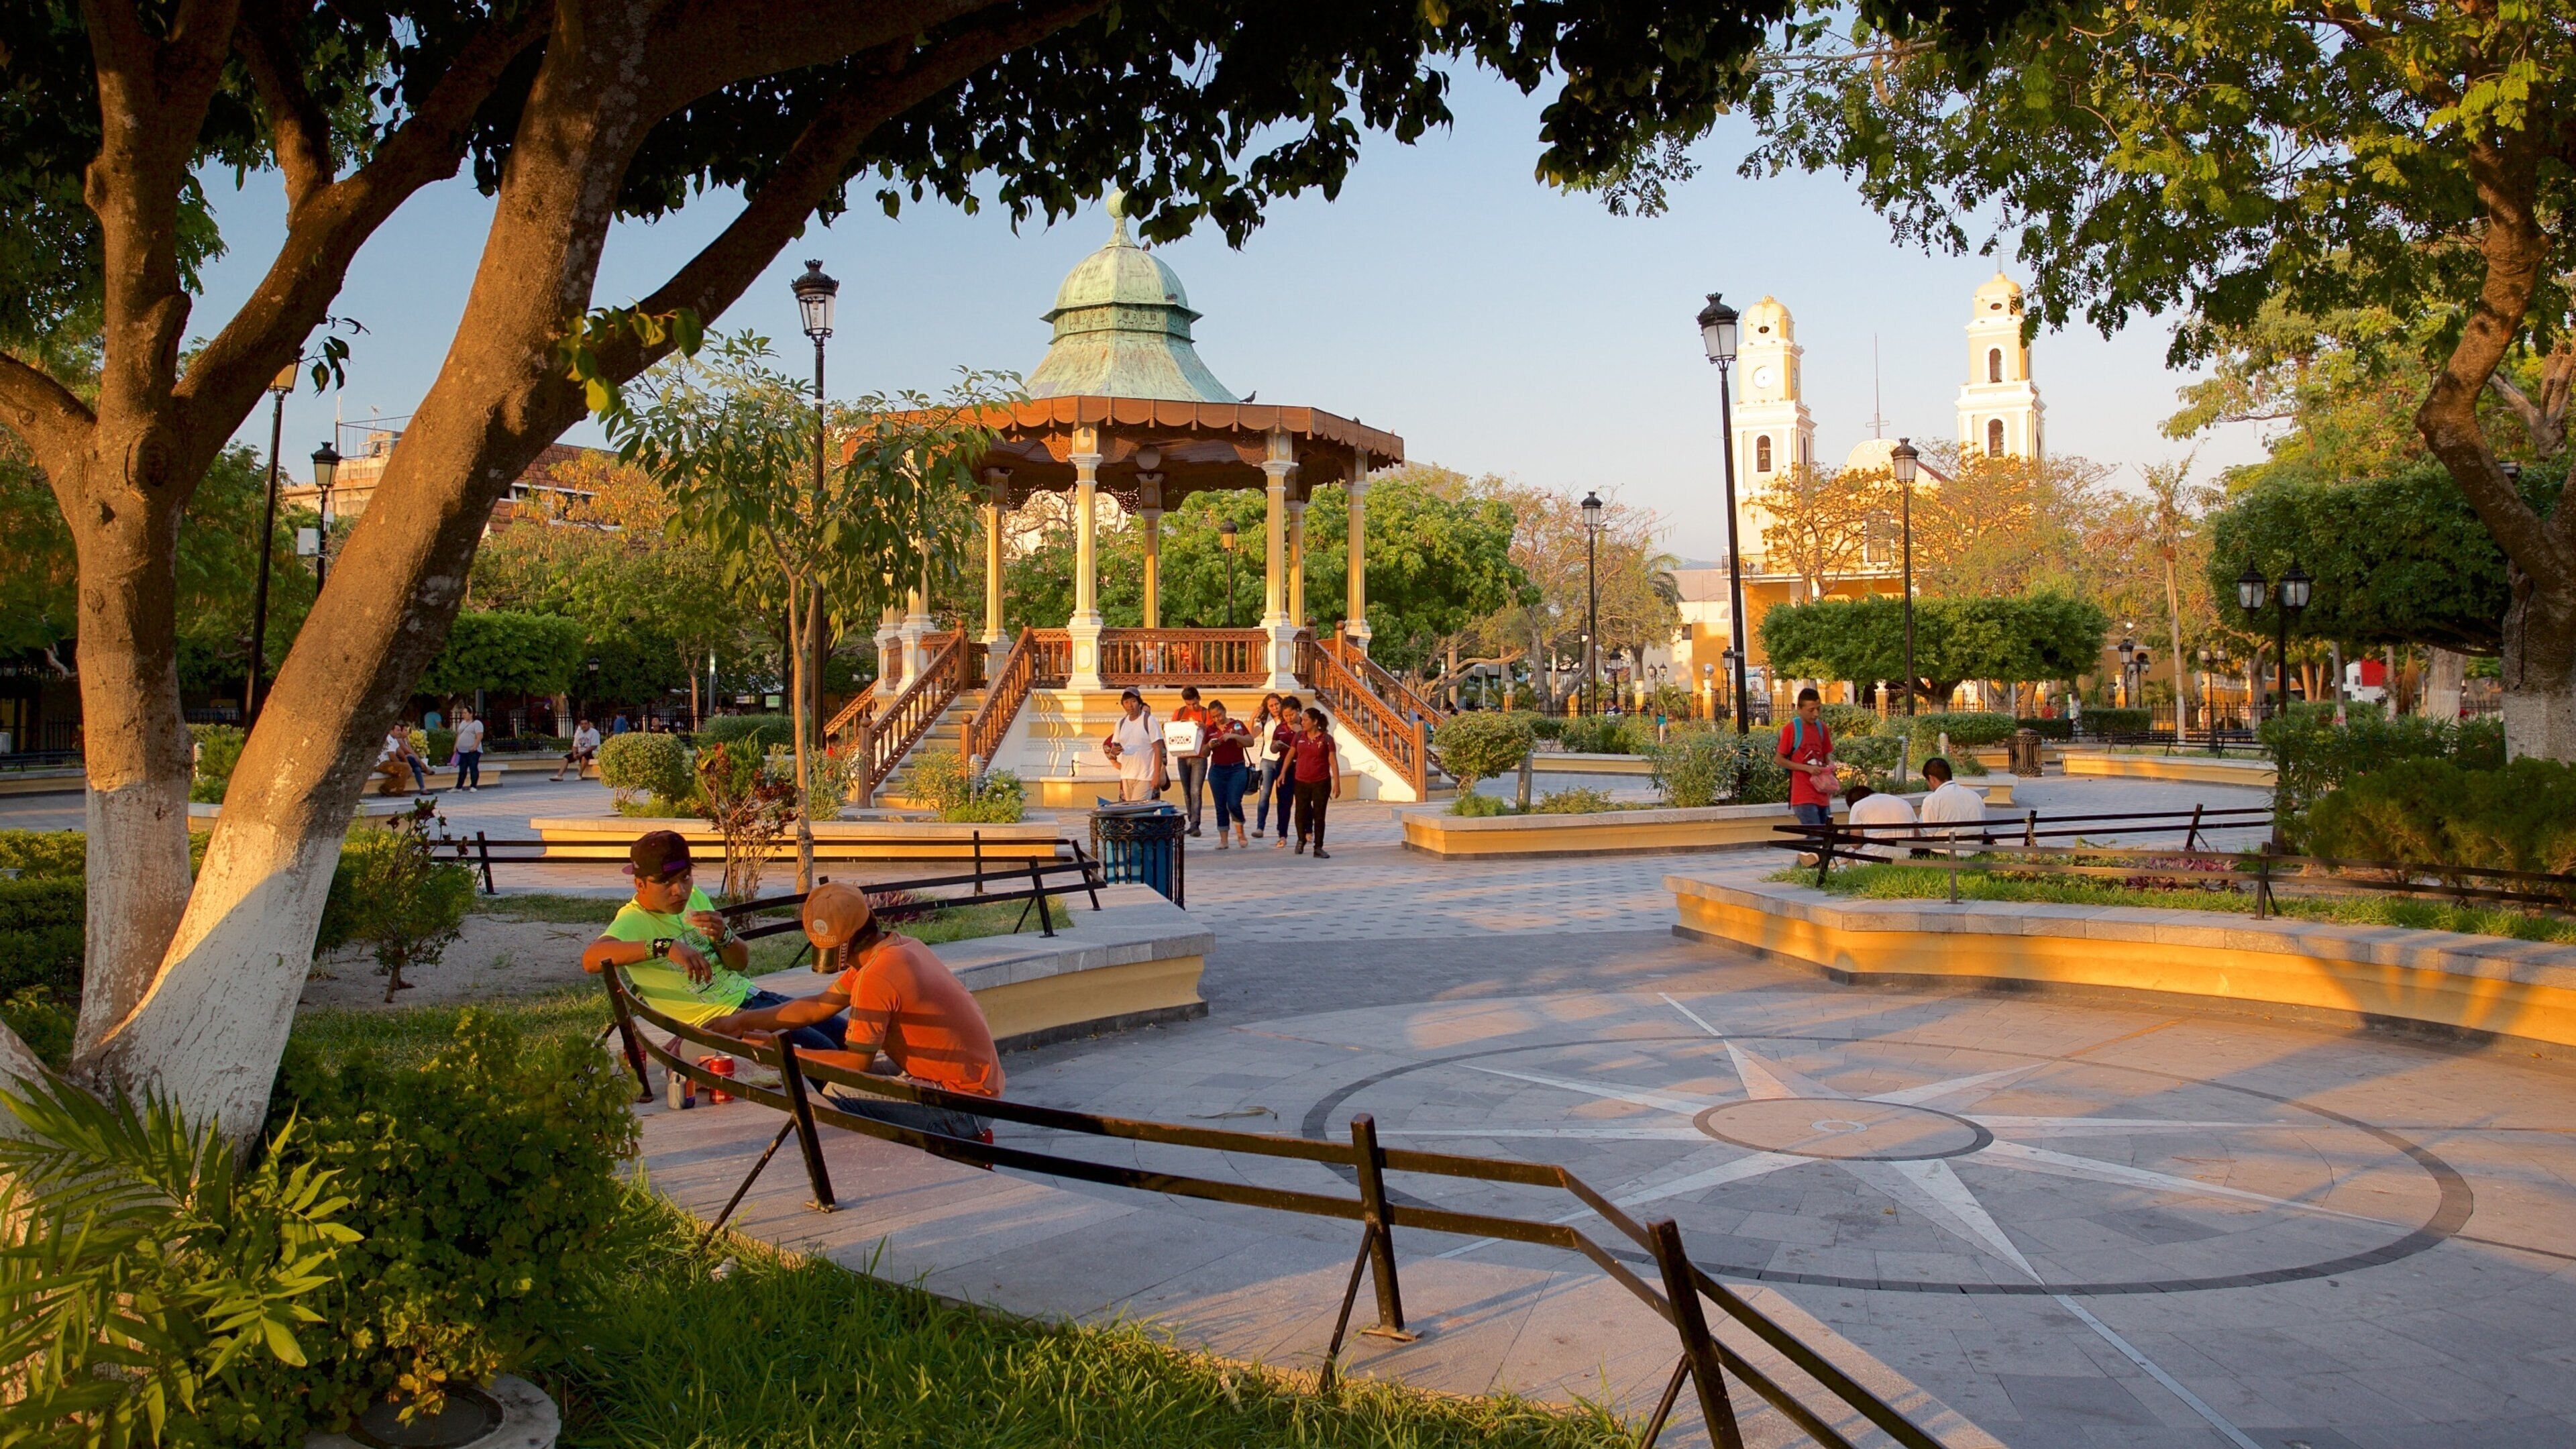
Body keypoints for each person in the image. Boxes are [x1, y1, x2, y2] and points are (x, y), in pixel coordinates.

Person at [708, 881, 1002, 1142]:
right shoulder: (896, 948)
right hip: (971, 1091)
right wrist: (741, 1022)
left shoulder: (877, 975)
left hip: (962, 1107)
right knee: (838, 1078)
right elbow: (819, 1005)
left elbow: (856, 1062)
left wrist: (782, 1054)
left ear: (840, 948)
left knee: (837, 1093)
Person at [579, 831, 849, 1052]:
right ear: (640, 885)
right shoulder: (633, 920)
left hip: (753, 998)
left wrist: (724, 935)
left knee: (846, 1035)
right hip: (723, 1021)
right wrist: (665, 946)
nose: (680, 891)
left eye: (685, 877)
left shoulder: (694, 897)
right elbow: (591, 959)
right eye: (666, 883)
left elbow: (740, 963)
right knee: (825, 1051)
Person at [1774, 687, 1838, 828]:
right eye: (1811, 710)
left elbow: (1826, 755)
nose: (1816, 714)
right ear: (1799, 709)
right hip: (1803, 795)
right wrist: (1807, 768)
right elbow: (1779, 759)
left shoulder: (1822, 728)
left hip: (1822, 792)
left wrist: (1830, 764)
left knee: (1824, 836)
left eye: (1818, 709)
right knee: (1815, 835)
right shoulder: (1791, 729)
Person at [1289, 705, 1340, 859]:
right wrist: (1283, 773)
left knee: (1319, 815)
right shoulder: (1299, 736)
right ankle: (1301, 839)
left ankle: (1318, 847)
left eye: (1306, 720)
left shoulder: (1326, 739)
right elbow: (1291, 755)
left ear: (1315, 721)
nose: (1302, 722)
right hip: (1301, 780)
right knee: (1300, 812)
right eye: (1302, 720)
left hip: (1321, 781)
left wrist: (1337, 783)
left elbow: (1333, 761)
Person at [1201, 699, 1252, 849]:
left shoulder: (1236, 725)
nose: (1217, 719)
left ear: (1224, 711)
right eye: (1214, 717)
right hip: (1217, 770)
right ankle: (1224, 840)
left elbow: (1250, 741)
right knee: (1220, 805)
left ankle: (1241, 833)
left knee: (1234, 802)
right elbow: (1203, 753)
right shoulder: (1210, 729)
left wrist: (1234, 737)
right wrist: (1210, 745)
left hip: (1236, 769)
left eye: (1219, 715)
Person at [1100, 686, 1166, 803]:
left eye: (1133, 701)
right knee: (1130, 808)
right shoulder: (1121, 723)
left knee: (1137, 807)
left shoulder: (1149, 720)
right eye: (1126, 702)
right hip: (1127, 774)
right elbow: (1115, 746)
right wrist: (1115, 753)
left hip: (1145, 775)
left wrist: (1156, 775)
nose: (1130, 706)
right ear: (1123, 705)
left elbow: (1158, 749)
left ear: (1139, 703)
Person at [1169, 686, 1210, 837]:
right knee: (1187, 791)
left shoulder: (1206, 713)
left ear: (1199, 699)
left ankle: (1195, 824)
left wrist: (1204, 727)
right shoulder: (1179, 713)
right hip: (1183, 756)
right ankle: (1191, 820)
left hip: (1199, 756)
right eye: (1189, 704)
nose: (1192, 707)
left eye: (1195, 703)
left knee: (1196, 791)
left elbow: (1212, 733)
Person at [1841, 782, 1917, 863]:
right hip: (1904, 857)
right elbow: (1917, 837)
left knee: (1846, 857)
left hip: (1871, 859)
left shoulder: (1858, 806)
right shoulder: (1904, 802)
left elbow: (1856, 844)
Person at [1251, 694, 1290, 840]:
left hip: (1282, 760)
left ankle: (1281, 829)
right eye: (1271, 706)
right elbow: (1251, 735)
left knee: (1282, 796)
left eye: (1277, 704)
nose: (1275, 708)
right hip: (1267, 760)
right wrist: (1253, 717)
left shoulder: (1286, 719)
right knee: (1264, 794)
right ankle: (1260, 827)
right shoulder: (1265, 720)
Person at [1266, 698, 1303, 849]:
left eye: (1291, 714)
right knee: (1283, 802)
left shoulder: (1305, 725)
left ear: (1298, 711)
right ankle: (1282, 834)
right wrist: (1276, 745)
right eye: (1285, 715)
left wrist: (1299, 731)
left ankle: (1306, 831)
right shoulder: (1280, 728)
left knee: (1303, 801)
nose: (1289, 718)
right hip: (1284, 766)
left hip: (1301, 765)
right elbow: (1272, 749)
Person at [377, 724, 430, 794]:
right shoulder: (388, 739)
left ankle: (386, 788)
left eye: (400, 730)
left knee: (408, 769)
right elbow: (392, 756)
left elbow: (401, 753)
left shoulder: (394, 739)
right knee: (406, 768)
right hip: (382, 764)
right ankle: (398, 791)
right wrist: (403, 765)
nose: (400, 732)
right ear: (391, 731)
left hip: (389, 763)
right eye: (398, 730)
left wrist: (407, 764)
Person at [551, 718, 602, 782]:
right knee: (566, 758)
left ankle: (579, 775)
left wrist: (582, 753)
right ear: (580, 725)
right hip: (580, 751)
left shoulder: (594, 732)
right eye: (582, 724)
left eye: (585, 724)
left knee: (584, 757)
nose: (584, 726)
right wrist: (574, 754)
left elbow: (594, 746)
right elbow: (575, 746)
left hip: (591, 752)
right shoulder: (579, 733)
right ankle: (560, 776)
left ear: (589, 725)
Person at [451, 708, 486, 792]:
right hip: (462, 751)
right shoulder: (462, 723)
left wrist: (475, 746)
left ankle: (473, 786)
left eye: (465, 713)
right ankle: (459, 787)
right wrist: (456, 746)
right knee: (462, 769)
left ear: (471, 714)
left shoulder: (477, 723)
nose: (463, 715)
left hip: (473, 751)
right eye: (463, 713)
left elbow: (479, 736)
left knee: (473, 767)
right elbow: (459, 735)